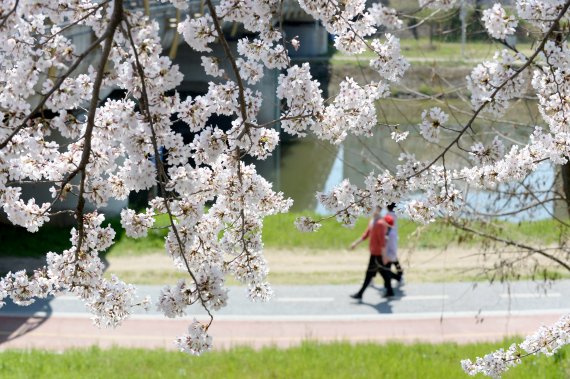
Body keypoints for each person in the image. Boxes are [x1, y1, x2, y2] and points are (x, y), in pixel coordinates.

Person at [349, 207, 398, 299]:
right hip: (374, 252)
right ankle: (391, 289)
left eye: (372, 209)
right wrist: (356, 243)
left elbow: (382, 242)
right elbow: (366, 234)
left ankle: (360, 294)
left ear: (378, 210)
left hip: (378, 254)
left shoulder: (380, 223)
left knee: (370, 273)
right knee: (383, 272)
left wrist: (384, 256)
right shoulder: (373, 221)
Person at [385, 203, 404, 286]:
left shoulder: (388, 215)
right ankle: (399, 275)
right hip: (394, 237)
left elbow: (387, 228)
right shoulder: (395, 214)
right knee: (393, 257)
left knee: (391, 258)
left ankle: (398, 276)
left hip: (390, 238)